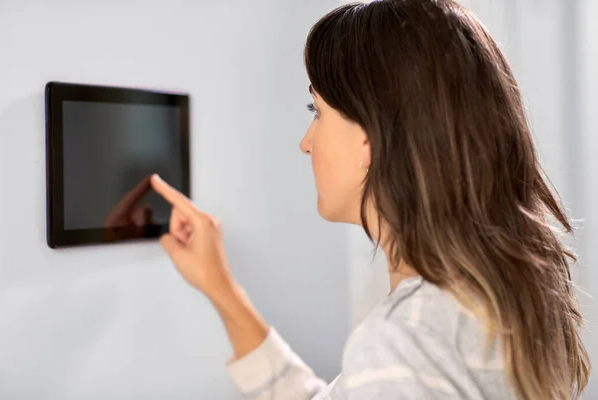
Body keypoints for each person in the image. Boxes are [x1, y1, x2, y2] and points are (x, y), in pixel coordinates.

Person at [149, 0, 591, 399]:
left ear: (370, 140)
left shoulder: (403, 346)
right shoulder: (496, 302)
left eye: (316, 112)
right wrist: (221, 290)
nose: (306, 142)